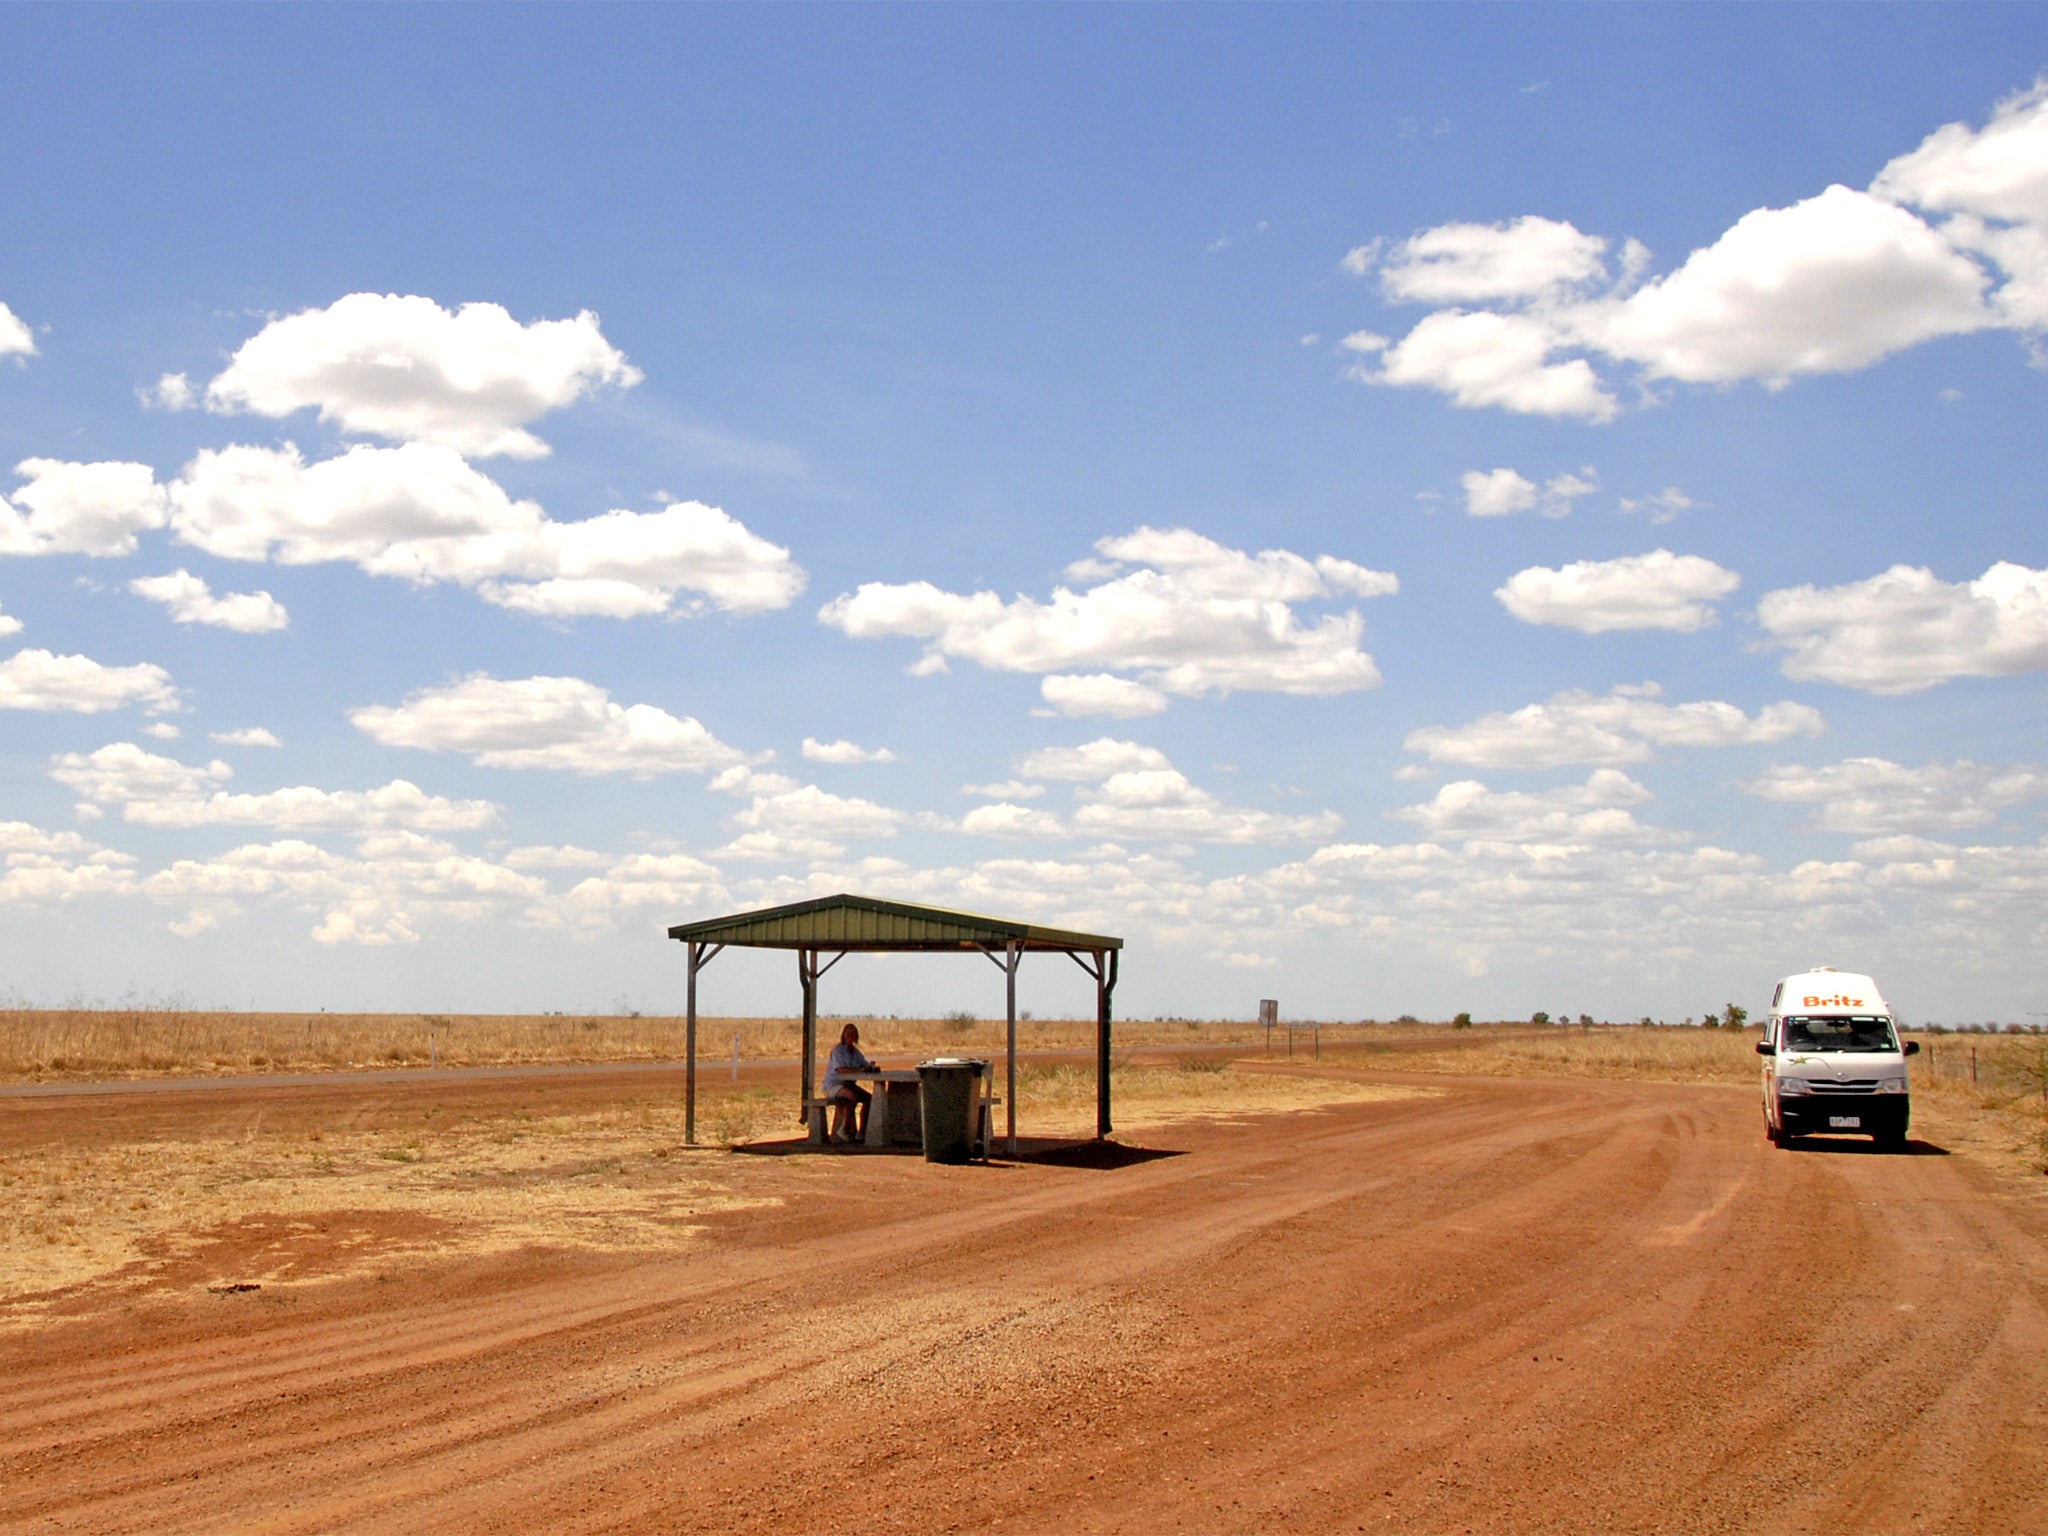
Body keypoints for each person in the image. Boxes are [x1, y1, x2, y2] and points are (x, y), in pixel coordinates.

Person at [822, 1023, 877, 1143]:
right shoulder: (838, 1051)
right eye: (848, 1035)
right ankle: (844, 1129)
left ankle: (862, 1132)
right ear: (844, 1036)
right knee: (852, 1097)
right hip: (833, 1085)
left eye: (853, 1035)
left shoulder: (856, 1053)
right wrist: (860, 1070)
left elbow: (864, 1064)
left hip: (848, 1085)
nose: (850, 1038)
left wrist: (871, 1068)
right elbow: (841, 1071)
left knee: (869, 1099)